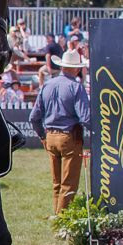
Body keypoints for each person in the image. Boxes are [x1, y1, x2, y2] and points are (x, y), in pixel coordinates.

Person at [29, 49, 91, 217]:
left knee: (57, 182)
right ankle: (61, 218)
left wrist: (42, 136)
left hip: (50, 136)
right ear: (76, 69)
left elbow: (34, 117)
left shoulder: (47, 85)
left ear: (62, 66)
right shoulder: (76, 87)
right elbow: (85, 118)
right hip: (69, 137)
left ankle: (57, 214)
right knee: (69, 183)